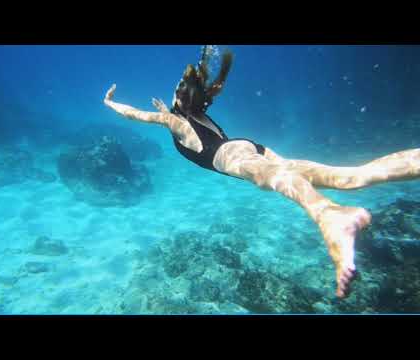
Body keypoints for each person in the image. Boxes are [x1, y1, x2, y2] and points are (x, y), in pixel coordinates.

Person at [104, 46, 420, 298]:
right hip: (248, 146)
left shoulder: (175, 122)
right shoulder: (193, 114)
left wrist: (110, 104)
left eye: (175, 91)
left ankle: (330, 215)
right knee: (345, 176)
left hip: (227, 155)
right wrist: (173, 107)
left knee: (275, 180)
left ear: (179, 100)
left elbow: (134, 115)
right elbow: (187, 107)